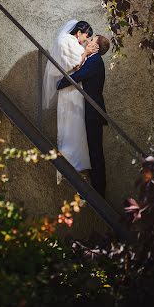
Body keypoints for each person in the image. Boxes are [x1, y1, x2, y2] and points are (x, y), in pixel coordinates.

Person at [42, 20, 98, 183]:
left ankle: (76, 163)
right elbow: (75, 66)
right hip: (70, 92)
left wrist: (85, 52)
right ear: (79, 31)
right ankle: (71, 163)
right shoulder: (66, 41)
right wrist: (86, 53)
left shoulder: (70, 41)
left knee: (75, 125)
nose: (86, 40)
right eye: (86, 36)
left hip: (74, 91)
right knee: (71, 125)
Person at [56, 34, 110, 198]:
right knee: (93, 150)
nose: (90, 39)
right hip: (91, 112)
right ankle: (97, 188)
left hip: (94, 113)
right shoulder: (91, 59)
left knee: (95, 152)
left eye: (93, 39)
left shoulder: (95, 62)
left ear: (97, 46)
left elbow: (78, 76)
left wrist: (60, 83)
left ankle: (99, 192)